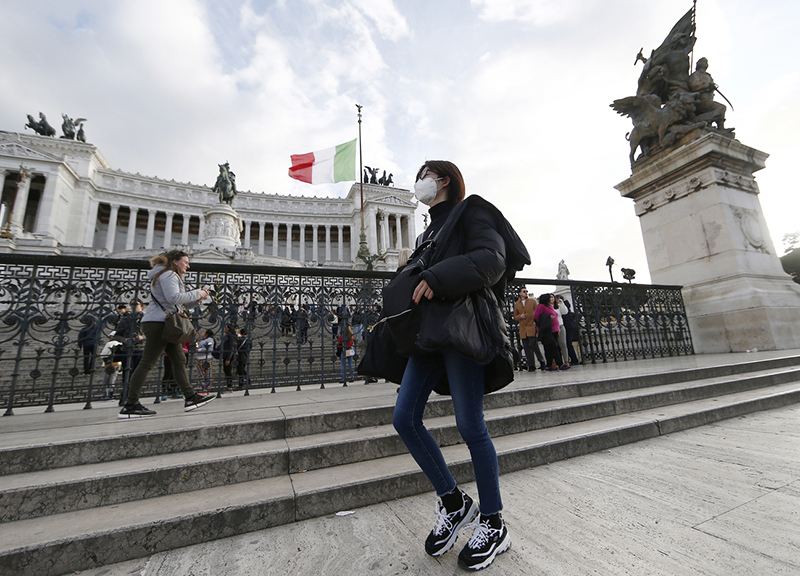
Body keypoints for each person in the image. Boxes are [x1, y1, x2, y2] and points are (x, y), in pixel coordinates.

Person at [392, 160, 529, 571]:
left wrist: (437, 277)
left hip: (462, 328)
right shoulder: (427, 234)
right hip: (428, 333)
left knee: (470, 425)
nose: (419, 182)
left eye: (424, 174)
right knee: (404, 418)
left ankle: (493, 521)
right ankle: (453, 502)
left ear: (444, 179)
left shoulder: (473, 211)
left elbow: (492, 259)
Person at [118, 250, 214, 418]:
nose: (188, 266)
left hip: (165, 323)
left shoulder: (165, 274)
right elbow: (173, 298)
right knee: (147, 363)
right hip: (159, 324)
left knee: (179, 360)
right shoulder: (168, 274)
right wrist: (197, 292)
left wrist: (197, 299)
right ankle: (130, 404)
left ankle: (190, 397)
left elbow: (178, 305)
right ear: (175, 261)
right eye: (185, 262)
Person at [513, 286, 545, 371]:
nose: (526, 293)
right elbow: (515, 316)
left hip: (531, 326)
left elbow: (537, 312)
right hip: (523, 328)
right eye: (524, 291)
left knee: (533, 345)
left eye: (526, 291)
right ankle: (531, 365)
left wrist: (531, 316)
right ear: (520, 293)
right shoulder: (517, 304)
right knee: (526, 347)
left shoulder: (532, 301)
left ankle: (541, 361)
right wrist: (520, 316)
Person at [533, 293, 567, 371]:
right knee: (553, 347)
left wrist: (557, 330)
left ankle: (549, 365)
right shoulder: (541, 306)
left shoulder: (550, 306)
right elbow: (536, 316)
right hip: (547, 331)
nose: (552, 299)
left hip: (554, 330)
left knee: (549, 349)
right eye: (550, 298)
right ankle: (560, 364)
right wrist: (548, 318)